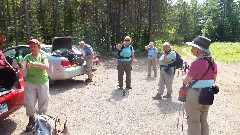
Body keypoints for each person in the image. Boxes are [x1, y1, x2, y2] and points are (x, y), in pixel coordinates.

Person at [183, 36, 217, 135]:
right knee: (203, 120)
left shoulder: (196, 63)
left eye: (193, 47)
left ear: (198, 50)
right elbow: (214, 79)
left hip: (195, 94)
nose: (191, 49)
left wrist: (184, 75)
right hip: (208, 94)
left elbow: (185, 81)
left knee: (194, 122)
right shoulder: (212, 62)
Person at [23, 38, 50, 132]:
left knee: (43, 101)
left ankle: (41, 120)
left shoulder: (43, 56)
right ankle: (31, 120)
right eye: (31, 46)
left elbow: (46, 66)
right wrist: (25, 65)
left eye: (34, 46)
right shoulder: (27, 57)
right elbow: (22, 65)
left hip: (43, 81)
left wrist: (36, 64)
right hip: (30, 82)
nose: (32, 48)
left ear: (39, 47)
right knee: (29, 103)